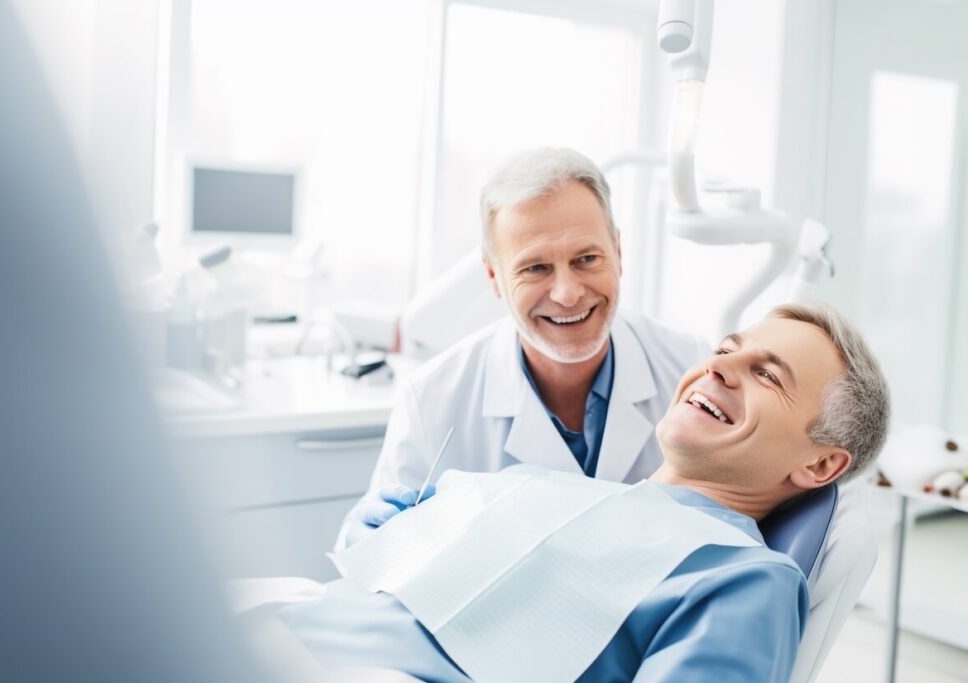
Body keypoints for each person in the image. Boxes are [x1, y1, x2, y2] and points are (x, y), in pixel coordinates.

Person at [286, 303, 890, 682]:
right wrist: (389, 537)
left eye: (767, 374)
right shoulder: (545, 488)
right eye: (726, 350)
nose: (719, 368)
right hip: (287, 622)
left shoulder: (743, 580)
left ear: (820, 463)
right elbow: (363, 566)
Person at [339, 148, 709, 548]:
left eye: (586, 258)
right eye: (536, 268)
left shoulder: (691, 370)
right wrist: (367, 546)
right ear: (493, 276)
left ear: (618, 254)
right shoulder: (433, 399)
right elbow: (377, 563)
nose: (567, 294)